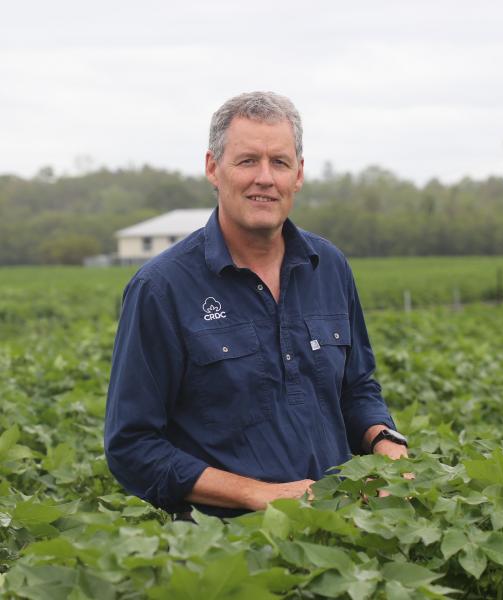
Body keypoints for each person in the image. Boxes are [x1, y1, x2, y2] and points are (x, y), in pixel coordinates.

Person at [104, 91, 409, 520]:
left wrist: (386, 442)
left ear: (298, 175)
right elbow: (131, 447)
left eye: (279, 163)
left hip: (342, 531)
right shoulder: (161, 288)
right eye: (247, 161)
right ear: (214, 168)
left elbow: (357, 388)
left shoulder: (329, 267)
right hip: (227, 546)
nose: (264, 178)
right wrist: (257, 494)